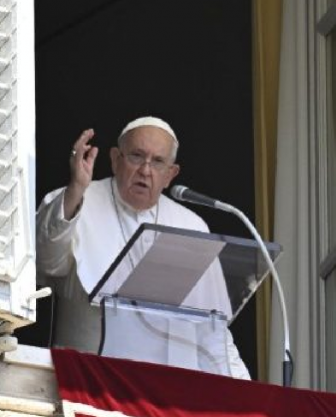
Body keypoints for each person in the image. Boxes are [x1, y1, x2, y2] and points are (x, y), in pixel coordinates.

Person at [36, 116, 250, 379]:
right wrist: (76, 189)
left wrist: (243, 384)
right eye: (136, 156)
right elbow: (46, 263)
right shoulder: (75, 201)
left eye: (158, 161)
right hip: (87, 378)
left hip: (166, 385)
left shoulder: (192, 225)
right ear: (115, 159)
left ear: (170, 174)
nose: (145, 170)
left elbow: (211, 324)